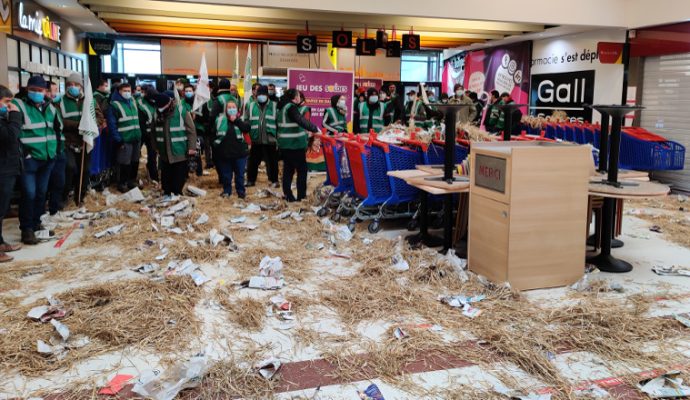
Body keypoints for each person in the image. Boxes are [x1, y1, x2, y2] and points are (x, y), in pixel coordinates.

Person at [12, 76, 59, 245]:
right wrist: (24, 154)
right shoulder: (19, 105)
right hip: (29, 160)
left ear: (45, 92)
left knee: (41, 193)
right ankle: (26, 229)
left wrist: (55, 152)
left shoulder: (50, 108)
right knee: (29, 194)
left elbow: (57, 130)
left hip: (47, 158)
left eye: (40, 91)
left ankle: (37, 224)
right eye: (33, 90)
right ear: (27, 89)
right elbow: (15, 132)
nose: (37, 93)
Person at [59, 73, 106, 208]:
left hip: (85, 142)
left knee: (85, 171)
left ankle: (80, 197)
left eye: (76, 85)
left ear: (81, 86)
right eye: (70, 85)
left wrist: (91, 125)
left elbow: (99, 117)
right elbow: (60, 121)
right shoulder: (60, 102)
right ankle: (64, 195)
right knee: (70, 168)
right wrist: (79, 126)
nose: (73, 87)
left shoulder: (90, 101)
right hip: (68, 142)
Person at [277, 89, 319, 202]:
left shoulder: (283, 107)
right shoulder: (291, 107)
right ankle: (301, 196)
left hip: (286, 144)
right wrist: (315, 128)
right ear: (295, 98)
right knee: (301, 170)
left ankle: (288, 195)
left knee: (288, 170)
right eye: (298, 96)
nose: (299, 98)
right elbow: (300, 120)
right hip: (294, 145)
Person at [152, 93, 197, 196]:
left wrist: (191, 147)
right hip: (164, 152)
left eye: (163, 107)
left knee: (178, 176)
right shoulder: (156, 113)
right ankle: (167, 193)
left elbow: (191, 130)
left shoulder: (181, 111)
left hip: (179, 150)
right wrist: (155, 147)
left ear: (169, 103)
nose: (161, 110)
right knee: (166, 176)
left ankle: (177, 193)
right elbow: (153, 133)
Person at [0, 85, 23, 261]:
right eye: (7, 102)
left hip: (7, 167)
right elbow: (10, 136)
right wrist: (15, 116)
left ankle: (0, 242)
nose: (9, 106)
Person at [107, 83, 141, 193]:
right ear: (119, 91)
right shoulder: (114, 105)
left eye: (129, 90)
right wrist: (118, 139)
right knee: (124, 162)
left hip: (135, 137)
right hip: (124, 138)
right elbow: (112, 124)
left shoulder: (133, 102)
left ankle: (132, 181)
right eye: (125, 91)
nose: (127, 93)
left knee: (135, 161)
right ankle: (122, 183)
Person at [214, 101, 251, 198]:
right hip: (224, 153)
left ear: (237, 108)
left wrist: (236, 120)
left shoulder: (241, 119)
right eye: (229, 107)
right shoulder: (219, 119)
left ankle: (241, 192)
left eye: (233, 107)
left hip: (240, 153)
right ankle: (227, 191)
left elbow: (247, 128)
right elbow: (213, 133)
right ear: (225, 109)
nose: (231, 109)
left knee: (240, 175)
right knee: (226, 175)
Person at [245, 85, 279, 188]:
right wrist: (248, 139)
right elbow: (246, 121)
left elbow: (278, 123)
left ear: (267, 95)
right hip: (256, 138)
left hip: (270, 139)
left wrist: (278, 140)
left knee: (272, 161)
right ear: (256, 94)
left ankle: (274, 180)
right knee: (252, 162)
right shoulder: (250, 106)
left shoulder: (274, 106)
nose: (261, 96)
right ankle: (251, 180)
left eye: (263, 94)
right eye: (259, 94)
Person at [45, 81, 67, 222]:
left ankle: (54, 209)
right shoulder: (43, 109)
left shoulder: (55, 107)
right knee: (43, 186)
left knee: (59, 182)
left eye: (56, 90)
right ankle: (41, 214)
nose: (55, 93)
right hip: (46, 151)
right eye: (52, 90)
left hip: (59, 149)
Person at [136, 84, 159, 181]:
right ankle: (134, 177)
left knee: (153, 156)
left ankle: (154, 176)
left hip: (152, 134)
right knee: (136, 156)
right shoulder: (139, 103)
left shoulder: (156, 102)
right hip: (141, 132)